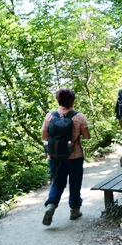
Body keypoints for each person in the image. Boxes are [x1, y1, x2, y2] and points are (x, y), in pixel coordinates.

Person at [41, 88, 90, 226]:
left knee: (57, 182)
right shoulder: (79, 116)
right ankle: (74, 210)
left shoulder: (50, 116)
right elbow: (87, 137)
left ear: (58, 100)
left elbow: (44, 137)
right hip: (75, 156)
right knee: (75, 183)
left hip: (55, 157)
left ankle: (51, 205)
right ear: (72, 100)